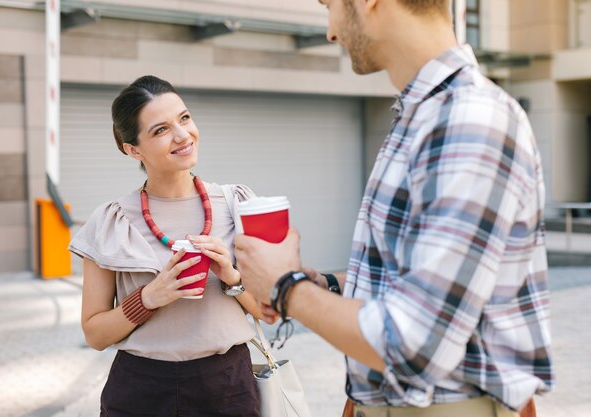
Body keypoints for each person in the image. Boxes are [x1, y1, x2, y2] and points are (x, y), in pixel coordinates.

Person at [234, 1, 554, 416]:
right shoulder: (426, 116)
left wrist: (285, 286)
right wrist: (321, 284)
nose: (331, 31)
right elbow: (419, 280)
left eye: (329, 5)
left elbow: (416, 341)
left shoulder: (466, 118)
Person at [69, 75, 269, 417]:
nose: (182, 135)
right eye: (160, 130)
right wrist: (149, 298)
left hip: (227, 386)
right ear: (133, 149)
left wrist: (232, 277)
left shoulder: (237, 204)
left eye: (185, 118)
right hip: (141, 390)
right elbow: (95, 334)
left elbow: (269, 309)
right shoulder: (110, 221)